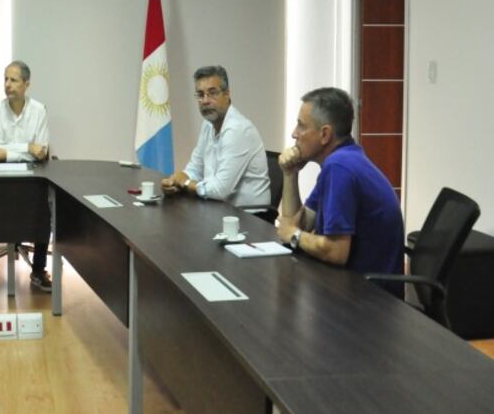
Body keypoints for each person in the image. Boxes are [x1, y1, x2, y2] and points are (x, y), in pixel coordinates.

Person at [275, 87, 404, 296]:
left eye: (301, 125)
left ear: (325, 134)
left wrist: (295, 236)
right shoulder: (343, 159)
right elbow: (300, 222)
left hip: (371, 300)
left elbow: (336, 252)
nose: (294, 133)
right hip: (352, 285)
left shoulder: (339, 167)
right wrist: (290, 174)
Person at [0, 60, 52, 292]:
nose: (7, 84)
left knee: (41, 201)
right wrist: (28, 148)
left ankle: (38, 271)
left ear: (27, 84)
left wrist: (11, 151)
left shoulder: (39, 111)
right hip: (0, 176)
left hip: (32, 176)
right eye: (5, 79)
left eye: (13, 80)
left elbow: (42, 151)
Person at [161, 65, 270, 209]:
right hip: (219, 210)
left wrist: (186, 183)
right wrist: (176, 180)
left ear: (227, 94)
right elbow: (195, 168)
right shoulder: (208, 124)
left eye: (212, 93)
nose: (205, 101)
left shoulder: (238, 130)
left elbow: (220, 190)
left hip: (250, 219)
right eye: (200, 94)